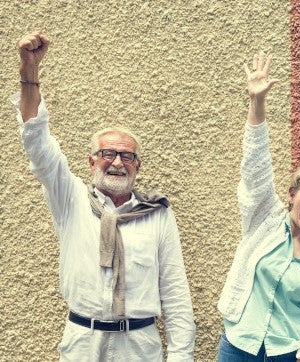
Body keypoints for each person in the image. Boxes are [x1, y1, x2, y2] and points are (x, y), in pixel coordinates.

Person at [13, 31, 196, 361]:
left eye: (127, 156)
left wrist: (182, 356)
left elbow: (175, 292)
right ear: (92, 161)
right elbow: (38, 145)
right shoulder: (70, 198)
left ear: (137, 167)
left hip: (140, 347)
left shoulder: (158, 214)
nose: (116, 162)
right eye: (108, 153)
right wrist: (29, 75)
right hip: (83, 343)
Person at [216, 51, 300, 362]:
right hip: (238, 346)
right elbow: (255, 167)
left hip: (287, 354)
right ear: (292, 194)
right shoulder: (264, 221)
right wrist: (256, 104)